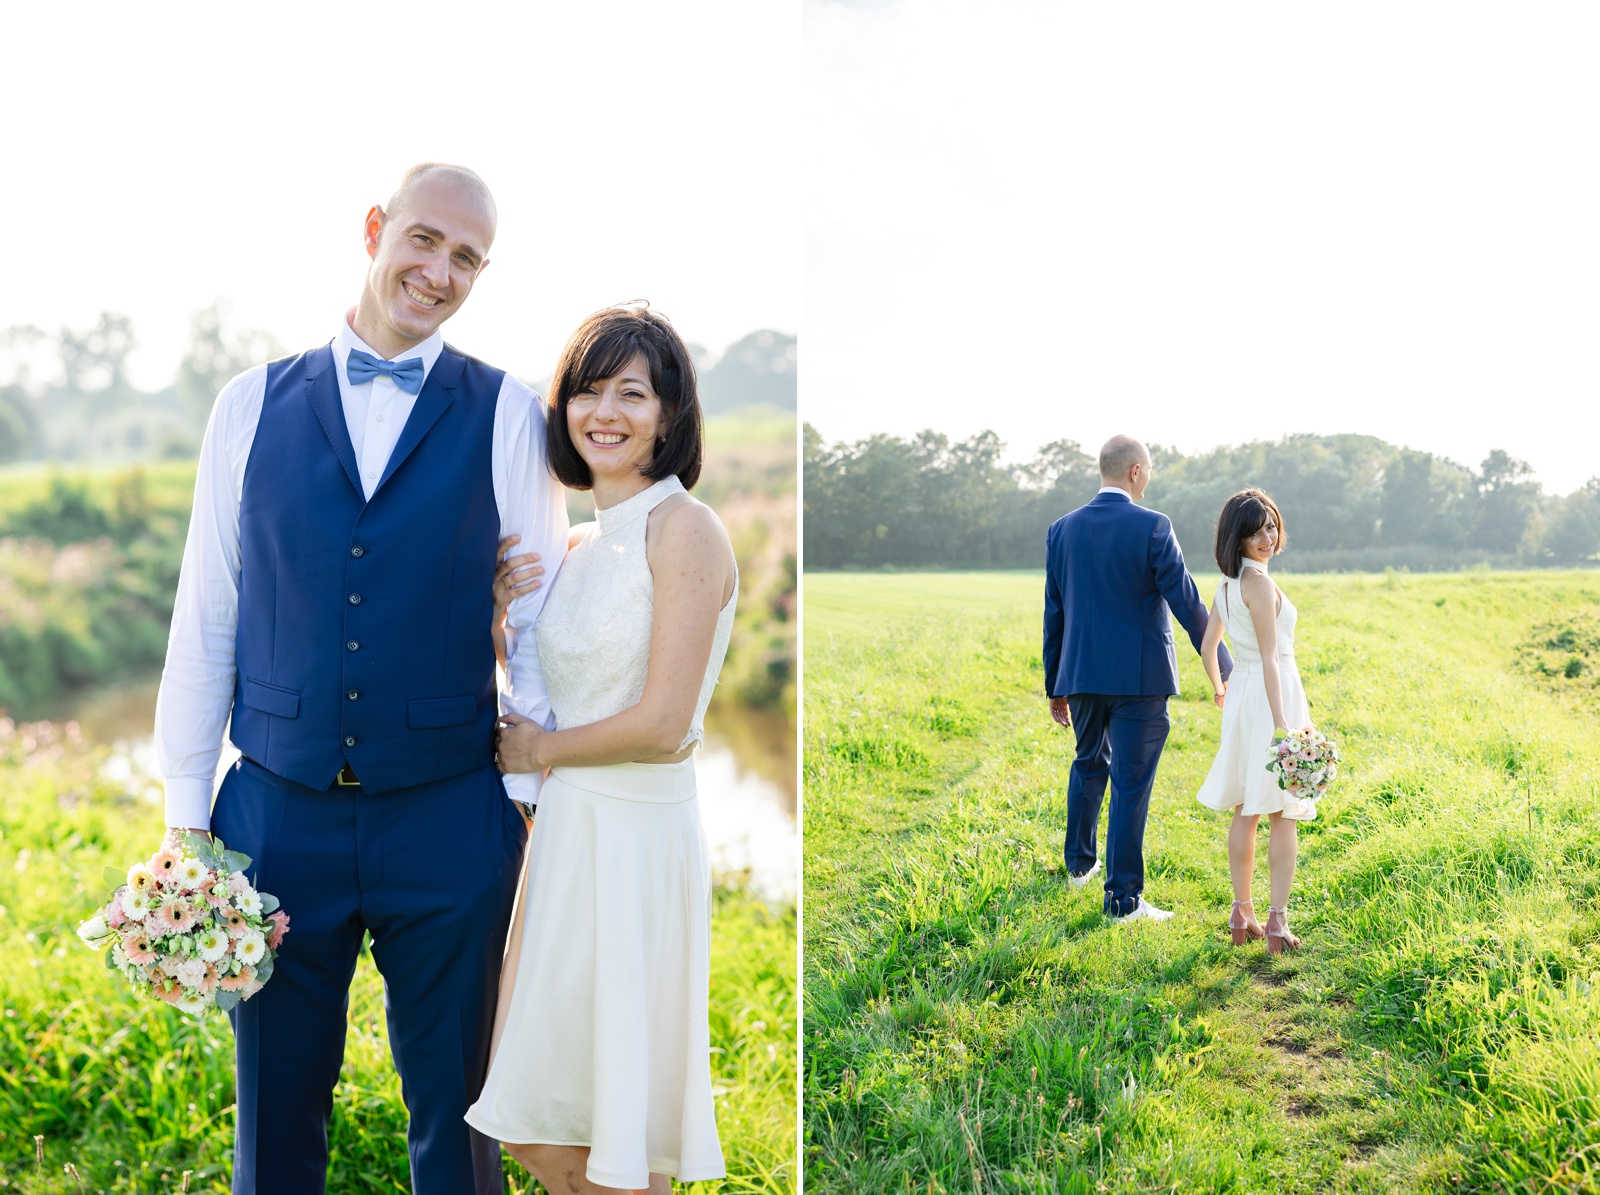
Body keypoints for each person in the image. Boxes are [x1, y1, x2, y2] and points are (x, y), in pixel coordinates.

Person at [152, 163, 568, 1194]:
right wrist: (183, 813)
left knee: (462, 1121)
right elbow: (207, 610)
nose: (439, 271)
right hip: (275, 815)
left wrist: (520, 801)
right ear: (376, 229)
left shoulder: (510, 412)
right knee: (276, 1124)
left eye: (466, 258)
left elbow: (545, 618)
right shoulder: (248, 405)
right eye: (423, 240)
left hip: (449, 817)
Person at [466, 305, 736, 1195]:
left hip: (634, 838)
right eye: (588, 390)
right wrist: (506, 622)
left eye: (632, 392)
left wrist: (542, 748)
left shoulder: (684, 528)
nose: (605, 412)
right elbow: (567, 680)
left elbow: (665, 724)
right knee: (543, 1114)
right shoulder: (578, 542)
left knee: (616, 1129)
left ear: (669, 415)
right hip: (569, 833)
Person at [1043, 435, 1231, 921]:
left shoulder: (1060, 530)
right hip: (1140, 680)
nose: (1149, 477)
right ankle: (1122, 901)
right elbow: (1186, 601)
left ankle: (1079, 867)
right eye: (1148, 469)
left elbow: (1055, 612)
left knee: (1088, 762)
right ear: (1134, 472)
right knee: (1130, 783)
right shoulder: (1153, 526)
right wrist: (1227, 670)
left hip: (1080, 675)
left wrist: (1055, 684)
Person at [1196, 488, 1311, 954]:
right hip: (1271, 693)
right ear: (1236, 538)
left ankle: (1241, 910)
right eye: (1255, 530)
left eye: (1270, 526)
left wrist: (1221, 688)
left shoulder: (1226, 587)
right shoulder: (1260, 585)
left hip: (1244, 693)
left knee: (1248, 807)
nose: (1267, 537)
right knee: (1283, 811)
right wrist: (1283, 724)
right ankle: (1277, 922)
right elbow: (1269, 658)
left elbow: (1208, 648)